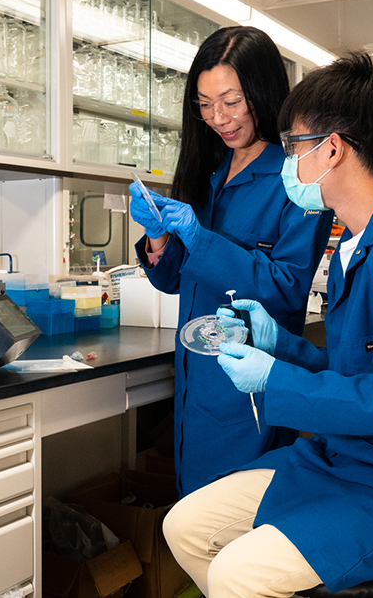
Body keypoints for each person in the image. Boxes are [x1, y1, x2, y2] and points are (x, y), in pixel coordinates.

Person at [162, 52, 373, 597]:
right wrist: (282, 350)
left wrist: (273, 382)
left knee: (237, 573)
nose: (285, 160)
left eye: (294, 144)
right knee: (183, 525)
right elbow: (355, 372)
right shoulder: (360, 241)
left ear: (332, 149)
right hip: (353, 458)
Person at [128, 26, 334, 497]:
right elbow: (178, 280)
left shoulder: (295, 178)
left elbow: (286, 286)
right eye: (204, 104)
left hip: (249, 377)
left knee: (236, 521)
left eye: (231, 101)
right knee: (193, 514)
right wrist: (158, 236)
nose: (217, 117)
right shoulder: (210, 168)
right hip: (193, 374)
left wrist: (201, 241)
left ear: (261, 91)